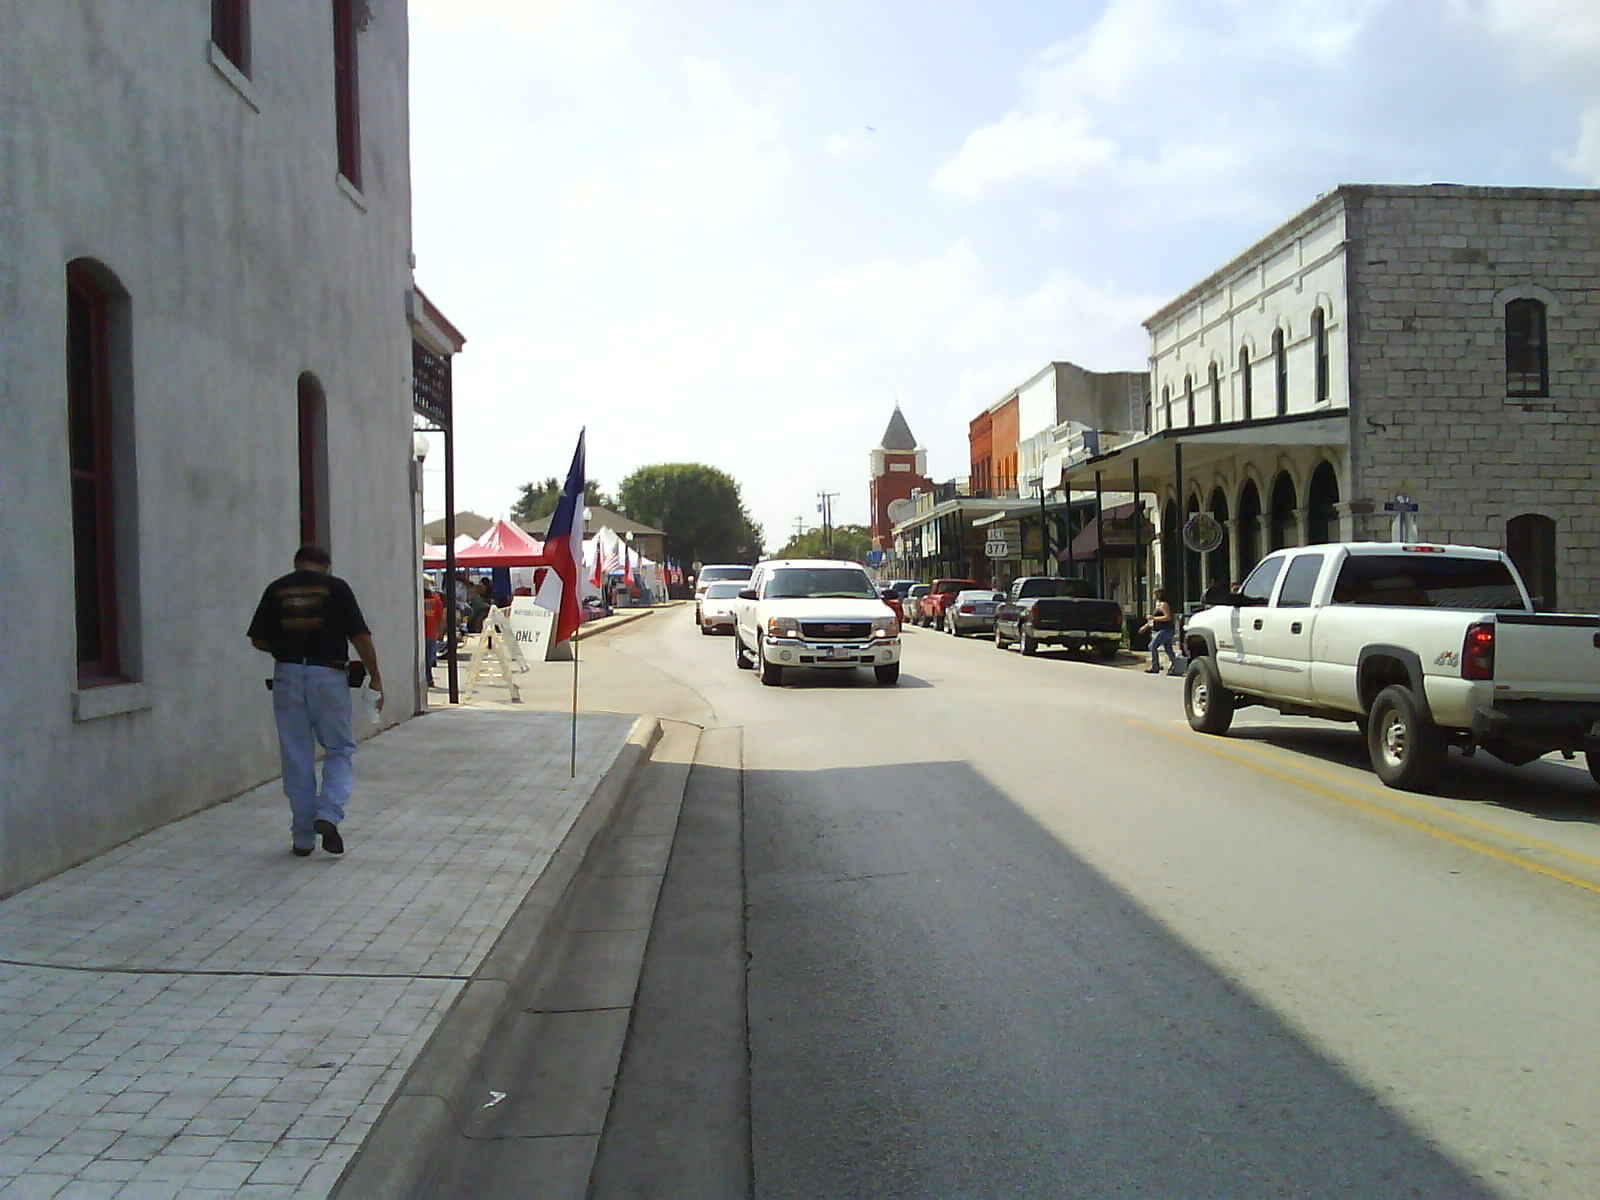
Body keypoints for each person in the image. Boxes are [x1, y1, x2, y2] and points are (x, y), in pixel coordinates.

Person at [248, 545, 382, 857]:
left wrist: (286, 649)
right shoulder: (336, 588)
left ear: (296, 563)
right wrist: (375, 676)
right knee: (339, 748)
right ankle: (329, 814)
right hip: (328, 674)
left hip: (287, 674)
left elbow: (258, 639)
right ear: (327, 565)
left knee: (296, 754)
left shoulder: (277, 588)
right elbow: (359, 635)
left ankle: (302, 838)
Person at [1143, 587, 1176, 674]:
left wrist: (1153, 617)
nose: (1153, 596)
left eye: (1154, 594)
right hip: (1162, 629)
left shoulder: (1163, 604)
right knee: (1168, 649)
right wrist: (1146, 626)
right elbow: (1156, 619)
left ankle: (1155, 667)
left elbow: (1167, 617)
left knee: (1152, 645)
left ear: (1158, 595)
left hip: (1166, 629)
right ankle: (1175, 665)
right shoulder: (1158, 605)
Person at [422, 579, 445, 687]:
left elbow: (440, 618)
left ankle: (428, 677)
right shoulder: (434, 598)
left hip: (429, 634)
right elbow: (440, 618)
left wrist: (440, 632)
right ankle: (428, 678)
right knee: (428, 658)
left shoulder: (434, 598)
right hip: (428, 634)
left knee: (428, 658)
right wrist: (440, 632)